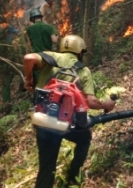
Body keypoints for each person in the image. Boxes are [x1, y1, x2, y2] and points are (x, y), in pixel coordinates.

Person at [23, 35, 116, 187]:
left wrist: (28, 80)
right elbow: (91, 102)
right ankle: (73, 176)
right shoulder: (83, 70)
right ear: (80, 51)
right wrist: (106, 105)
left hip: (43, 121)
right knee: (84, 139)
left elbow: (28, 58)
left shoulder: (51, 58)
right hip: (67, 124)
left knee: (47, 168)